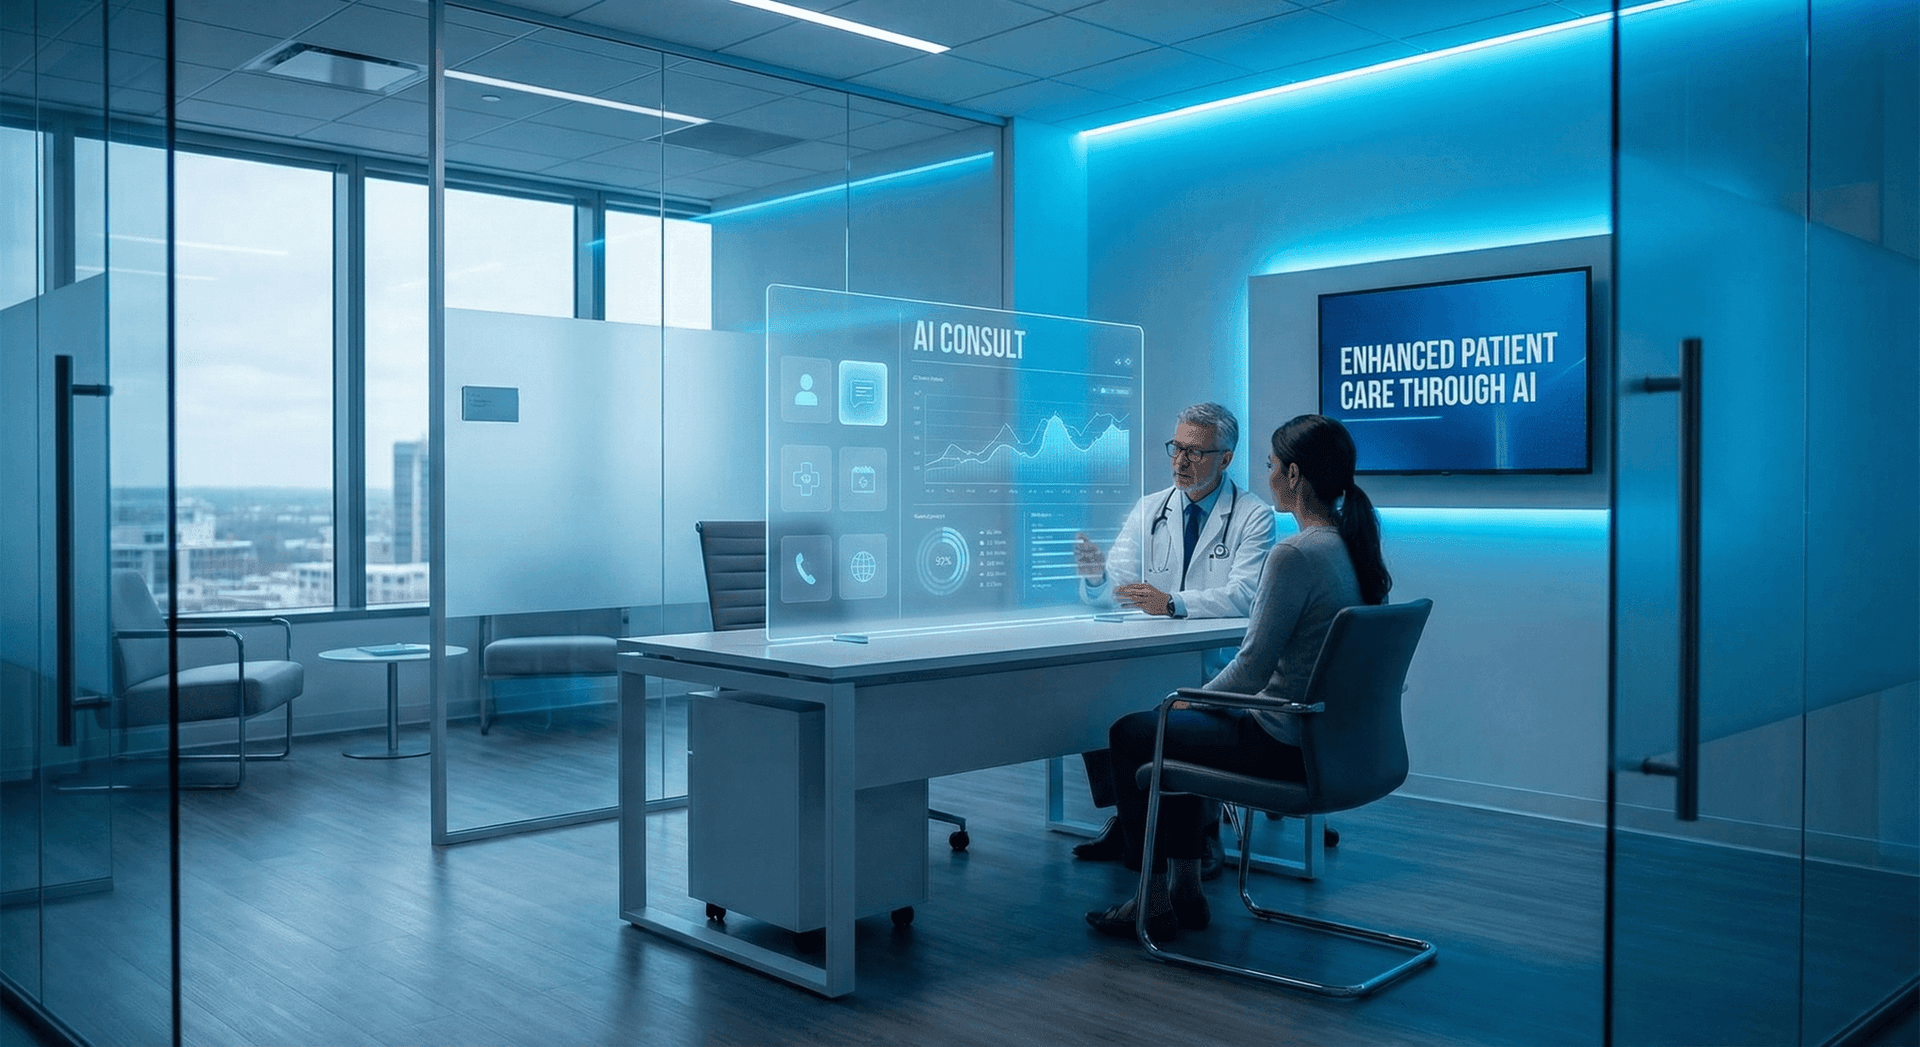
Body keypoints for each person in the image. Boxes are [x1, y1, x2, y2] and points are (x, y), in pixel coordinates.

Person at [1085, 413, 1392, 940]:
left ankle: (1152, 900)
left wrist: (1190, 700)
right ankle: (1185, 889)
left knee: (1136, 731)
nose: (1266, 474)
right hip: (1335, 742)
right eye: (1177, 448)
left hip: (1282, 740)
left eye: (1271, 464)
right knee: (1169, 726)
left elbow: (1251, 669)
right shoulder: (1351, 547)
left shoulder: (1293, 555)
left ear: (1293, 475)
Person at [1069, 402, 1275, 874]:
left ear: (1225, 459)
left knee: (1165, 716)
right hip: (1149, 658)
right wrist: (1097, 577)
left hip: (1215, 665)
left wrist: (1171, 603)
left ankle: (1199, 834)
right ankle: (1131, 818)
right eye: (1176, 448)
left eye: (1195, 452)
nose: (1180, 461)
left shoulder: (1253, 516)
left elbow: (1245, 596)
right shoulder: (1150, 509)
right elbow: (1118, 590)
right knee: (1094, 701)